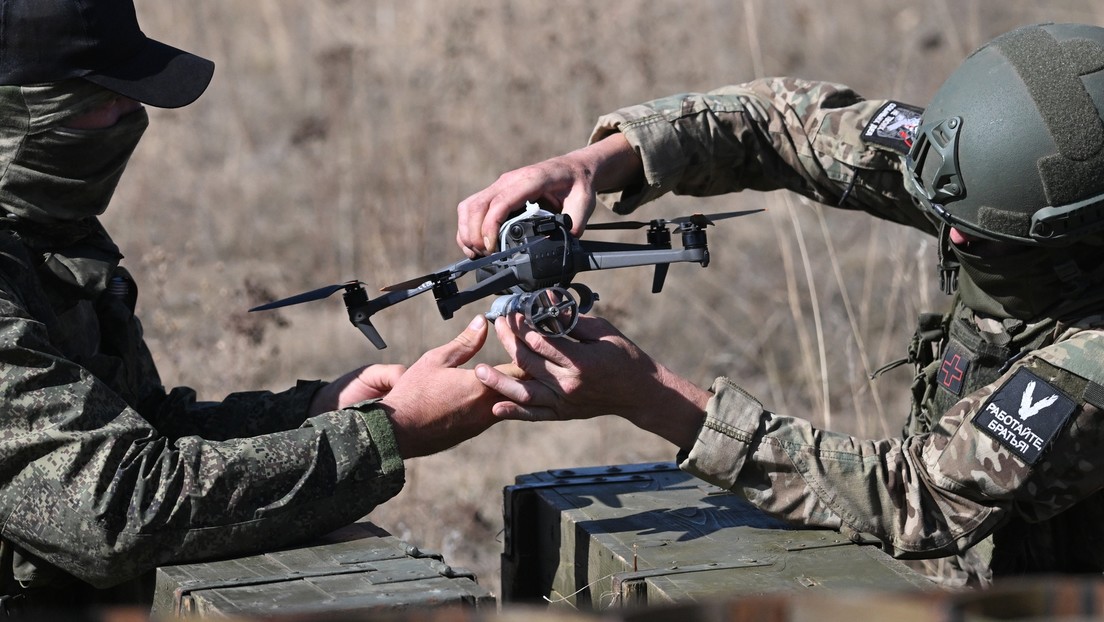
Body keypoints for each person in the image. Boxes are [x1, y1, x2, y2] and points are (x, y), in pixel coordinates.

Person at [461, 22, 1104, 588]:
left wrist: (653, 398)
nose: (953, 236)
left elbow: (922, 496)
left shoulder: (1090, 358)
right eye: (945, 213)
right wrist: (594, 162)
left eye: (986, 236)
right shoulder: (975, 172)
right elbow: (781, 122)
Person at [0, 0, 516, 612]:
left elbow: (142, 430)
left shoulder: (49, 236)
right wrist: (387, 433)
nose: (131, 117)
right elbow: (116, 508)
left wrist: (317, 409)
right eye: (98, 101)